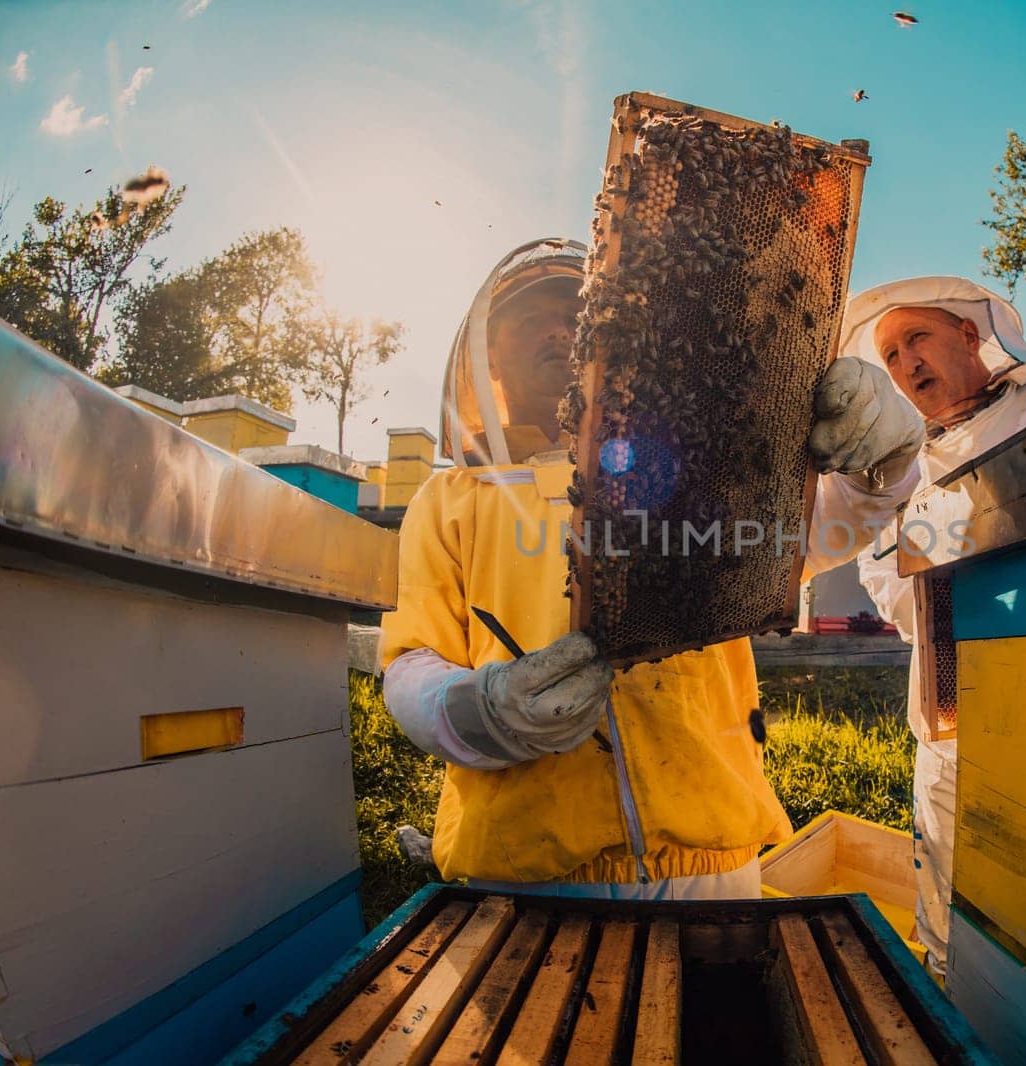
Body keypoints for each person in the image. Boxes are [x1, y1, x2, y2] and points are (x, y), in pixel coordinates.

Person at [379, 238, 922, 899]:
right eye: (528, 320)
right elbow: (411, 660)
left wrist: (881, 461)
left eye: (576, 315)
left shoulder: (682, 471)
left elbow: (810, 533)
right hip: (527, 870)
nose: (557, 331)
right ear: (487, 355)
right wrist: (475, 711)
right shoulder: (449, 500)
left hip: (712, 864)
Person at [838, 276, 1026, 976]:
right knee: (949, 921)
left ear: (967, 333)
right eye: (891, 355)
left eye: (916, 339)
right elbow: (882, 575)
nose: (906, 365)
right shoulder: (899, 471)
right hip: (952, 727)